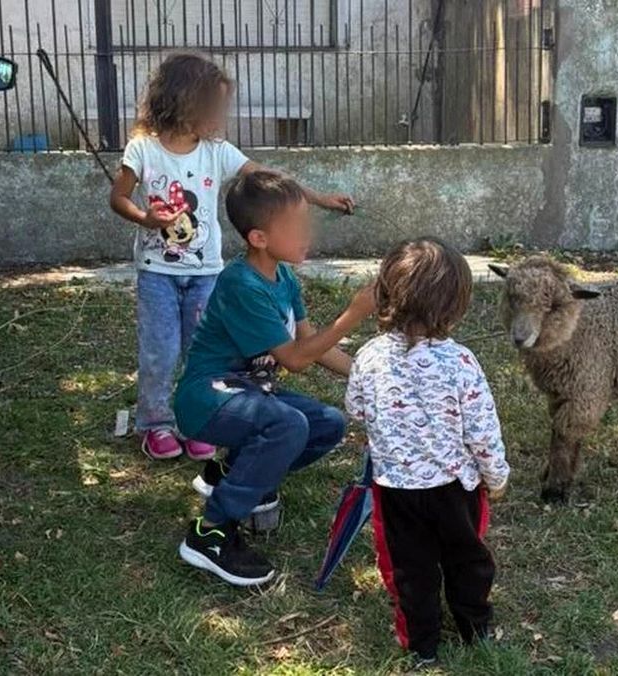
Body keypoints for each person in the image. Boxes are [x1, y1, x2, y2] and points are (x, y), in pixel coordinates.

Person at [109, 52, 354, 461]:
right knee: (160, 351)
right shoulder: (143, 149)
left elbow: (271, 181)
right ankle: (154, 422)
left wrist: (320, 198)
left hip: (206, 272)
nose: (221, 116)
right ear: (184, 101)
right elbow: (118, 197)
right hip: (157, 272)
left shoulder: (217, 151)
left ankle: (194, 421)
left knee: (203, 350)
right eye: (215, 106)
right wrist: (144, 217)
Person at [173, 170, 374, 586]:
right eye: (295, 227)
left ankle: (233, 474)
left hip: (248, 395)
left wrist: (369, 375)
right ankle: (210, 533)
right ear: (259, 238)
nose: (307, 234)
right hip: (207, 398)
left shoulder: (283, 277)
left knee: (328, 424)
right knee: (289, 425)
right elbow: (296, 359)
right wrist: (353, 315)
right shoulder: (242, 284)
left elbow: (311, 345)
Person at [345, 238, 510, 669]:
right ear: (455, 305)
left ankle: (422, 645)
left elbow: (356, 408)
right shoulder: (462, 363)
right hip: (455, 489)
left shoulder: (368, 356)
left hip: (395, 490)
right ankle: (475, 627)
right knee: (467, 558)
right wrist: (496, 476)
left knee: (411, 569)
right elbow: (482, 433)